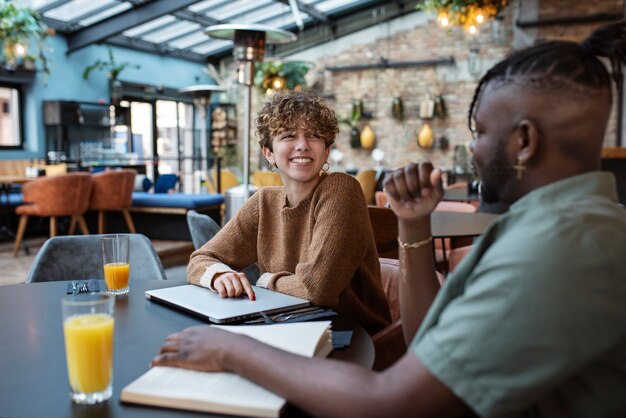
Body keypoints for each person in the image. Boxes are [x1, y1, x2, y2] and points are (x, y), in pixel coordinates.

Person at [154, 23, 626, 417]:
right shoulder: (544, 227)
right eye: (287, 138)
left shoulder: (561, 247)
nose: (472, 149)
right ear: (268, 151)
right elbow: (426, 339)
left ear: (523, 142)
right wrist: (414, 226)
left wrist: (228, 349)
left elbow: (390, 403)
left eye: (479, 132)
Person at [187, 89, 391, 335]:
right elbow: (200, 259)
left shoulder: (341, 189)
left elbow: (318, 289)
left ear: (326, 151)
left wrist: (263, 281)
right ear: (269, 153)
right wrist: (219, 275)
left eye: (314, 136)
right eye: (288, 135)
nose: (303, 145)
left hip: (354, 340)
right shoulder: (263, 202)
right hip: (289, 330)